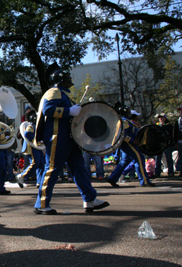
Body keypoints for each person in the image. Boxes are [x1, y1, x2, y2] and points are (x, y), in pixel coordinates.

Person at [33, 63, 109, 214]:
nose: (70, 78)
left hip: (69, 138)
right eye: (67, 76)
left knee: (79, 169)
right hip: (57, 138)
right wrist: (69, 111)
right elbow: (48, 109)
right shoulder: (54, 91)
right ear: (60, 78)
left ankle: (89, 199)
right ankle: (41, 204)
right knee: (52, 169)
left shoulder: (63, 94)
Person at [106, 105, 155, 187]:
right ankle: (144, 181)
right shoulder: (124, 121)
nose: (129, 112)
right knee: (139, 158)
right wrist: (133, 140)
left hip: (130, 144)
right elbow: (123, 134)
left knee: (124, 162)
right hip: (128, 144)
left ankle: (112, 178)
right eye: (128, 111)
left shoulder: (129, 121)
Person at [16, 110, 45, 189]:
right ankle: (22, 176)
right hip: (31, 147)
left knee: (41, 165)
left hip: (37, 147)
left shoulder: (36, 126)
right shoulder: (31, 126)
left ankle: (39, 182)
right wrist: (37, 139)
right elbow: (27, 134)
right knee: (35, 163)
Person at [154, 113, 174, 177]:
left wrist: (163, 125)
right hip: (159, 145)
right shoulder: (157, 125)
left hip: (167, 144)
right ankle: (157, 172)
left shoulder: (169, 125)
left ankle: (170, 172)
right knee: (158, 158)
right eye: (159, 118)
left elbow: (169, 131)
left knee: (169, 158)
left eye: (162, 117)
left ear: (165, 118)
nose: (160, 119)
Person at [173, 105, 182, 176]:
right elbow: (175, 132)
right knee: (180, 157)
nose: (180, 111)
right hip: (180, 141)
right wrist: (175, 142)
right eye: (180, 110)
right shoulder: (178, 120)